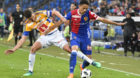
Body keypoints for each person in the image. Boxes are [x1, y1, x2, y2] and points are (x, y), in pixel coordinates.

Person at [5, 9, 96, 77]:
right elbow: (23, 39)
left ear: (33, 13)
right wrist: (14, 49)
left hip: (56, 34)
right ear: (28, 18)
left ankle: (90, 62)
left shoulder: (40, 13)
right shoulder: (28, 24)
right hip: (45, 37)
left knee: (70, 50)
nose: (33, 18)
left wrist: (62, 18)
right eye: (31, 18)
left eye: (33, 16)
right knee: (33, 48)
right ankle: (30, 71)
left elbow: (54, 12)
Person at [66, 0, 125, 78]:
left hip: (85, 38)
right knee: (74, 52)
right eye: (83, 8)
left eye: (86, 8)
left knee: (88, 59)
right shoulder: (72, 13)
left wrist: (116, 23)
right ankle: (71, 74)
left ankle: (82, 66)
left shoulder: (89, 13)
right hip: (75, 35)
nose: (85, 10)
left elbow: (102, 20)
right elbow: (64, 21)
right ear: (79, 6)